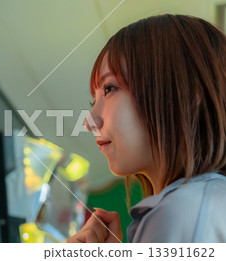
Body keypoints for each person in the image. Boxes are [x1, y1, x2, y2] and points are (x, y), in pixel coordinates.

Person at [67, 14, 226, 243]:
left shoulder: (179, 212)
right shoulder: (206, 202)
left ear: (187, 94)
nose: (89, 121)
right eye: (94, 101)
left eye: (110, 89)